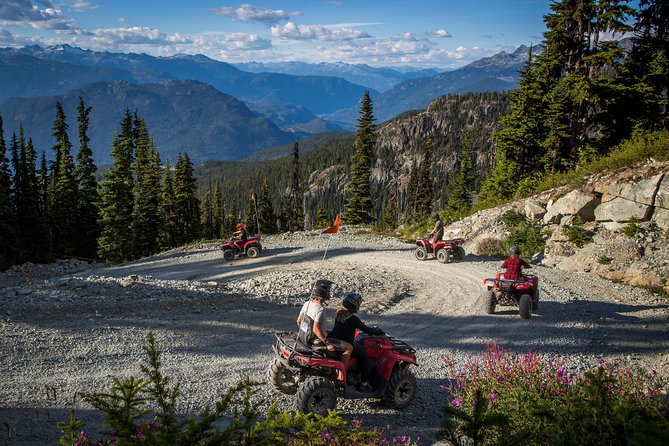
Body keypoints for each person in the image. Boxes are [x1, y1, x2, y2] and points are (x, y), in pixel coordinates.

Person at [327, 292, 384, 392]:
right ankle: (364, 383)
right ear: (355, 306)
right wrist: (378, 332)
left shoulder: (339, 313)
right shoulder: (352, 318)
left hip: (335, 339)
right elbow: (366, 329)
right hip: (345, 343)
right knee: (365, 355)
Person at [296, 279, 353, 368]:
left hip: (305, 339)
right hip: (317, 341)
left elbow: (299, 321)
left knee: (329, 332)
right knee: (349, 347)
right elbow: (316, 328)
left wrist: (308, 333)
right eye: (328, 290)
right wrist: (327, 343)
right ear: (323, 293)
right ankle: (341, 375)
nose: (329, 292)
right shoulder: (320, 309)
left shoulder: (307, 304)